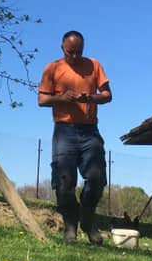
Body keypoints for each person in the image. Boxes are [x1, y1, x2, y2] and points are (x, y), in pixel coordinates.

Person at [37, 30, 112, 244]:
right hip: (64, 130)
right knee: (64, 181)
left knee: (96, 178)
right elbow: (41, 100)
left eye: (79, 51)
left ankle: (88, 220)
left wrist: (91, 97)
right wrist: (62, 98)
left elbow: (108, 95)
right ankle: (70, 227)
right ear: (62, 48)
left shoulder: (94, 65)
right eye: (71, 52)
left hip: (90, 131)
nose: (75, 56)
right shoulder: (52, 68)